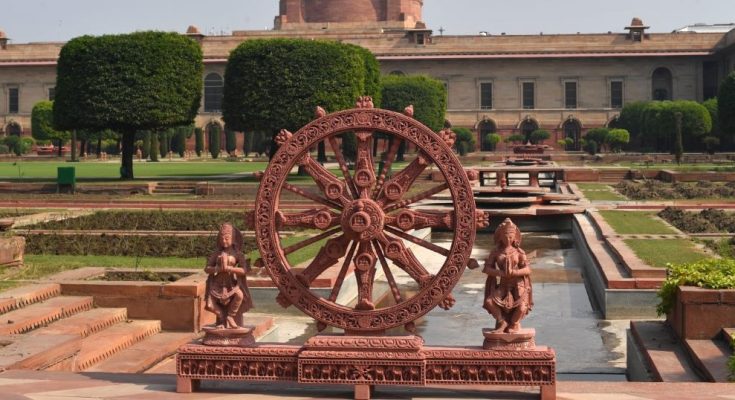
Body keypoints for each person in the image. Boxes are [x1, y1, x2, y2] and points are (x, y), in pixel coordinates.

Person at [481, 218, 533, 334]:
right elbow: (486, 268)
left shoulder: (519, 252)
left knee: (521, 307)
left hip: (517, 284)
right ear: (500, 236)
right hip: (503, 284)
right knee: (489, 302)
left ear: (515, 237)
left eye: (511, 236)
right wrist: (500, 273)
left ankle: (514, 323)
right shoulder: (495, 252)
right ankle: (501, 321)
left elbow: (528, 269)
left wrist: (514, 272)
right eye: (505, 236)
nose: (508, 239)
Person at [204, 223, 252, 329]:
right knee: (209, 305)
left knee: (239, 295)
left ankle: (230, 316)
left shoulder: (238, 254)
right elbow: (207, 268)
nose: (224, 241)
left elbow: (244, 270)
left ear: (233, 239)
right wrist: (217, 269)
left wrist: (231, 268)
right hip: (217, 283)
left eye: (227, 238)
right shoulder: (217, 253)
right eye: (222, 239)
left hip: (232, 283)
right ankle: (221, 317)